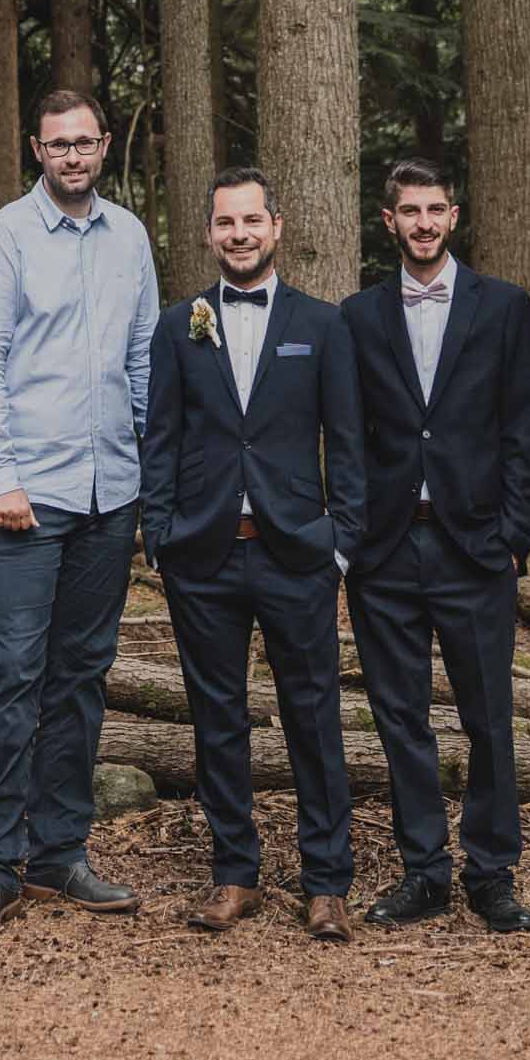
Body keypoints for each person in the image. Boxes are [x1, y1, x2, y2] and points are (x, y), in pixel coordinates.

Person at [0, 87, 159, 936]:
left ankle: (60, 850)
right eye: (55, 144)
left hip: (111, 494)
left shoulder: (131, 237)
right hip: (22, 502)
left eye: (84, 142)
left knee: (80, 677)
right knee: (10, 678)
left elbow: (142, 359)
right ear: (36, 150)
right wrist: (0, 476)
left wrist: (150, 470)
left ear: (104, 145)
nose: (72, 156)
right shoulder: (3, 239)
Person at [142, 167, 365, 942]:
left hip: (295, 553)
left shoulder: (323, 324)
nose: (238, 234)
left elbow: (348, 442)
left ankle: (326, 881)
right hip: (201, 556)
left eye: (250, 221)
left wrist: (340, 545)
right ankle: (233, 873)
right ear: (208, 234)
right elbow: (161, 437)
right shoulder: (180, 325)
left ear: (275, 228)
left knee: (313, 716)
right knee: (216, 719)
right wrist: (160, 537)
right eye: (224, 223)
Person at [341, 158, 530, 934]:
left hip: (474, 546)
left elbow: (523, 427)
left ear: (453, 217)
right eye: (408, 212)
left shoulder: (501, 307)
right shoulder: (357, 318)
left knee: (487, 716)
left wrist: (513, 537)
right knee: (400, 717)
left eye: (435, 209)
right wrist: (353, 537)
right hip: (385, 552)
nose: (422, 223)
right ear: (387, 221)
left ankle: (490, 872)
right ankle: (422, 870)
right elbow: (347, 436)